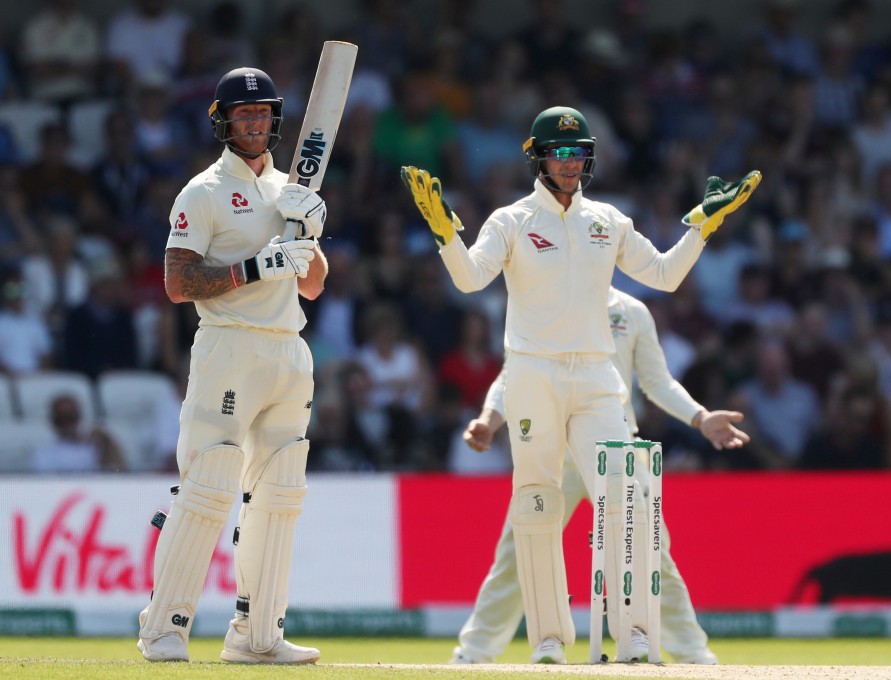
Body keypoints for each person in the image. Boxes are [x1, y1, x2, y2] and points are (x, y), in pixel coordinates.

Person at [401, 105, 759, 663]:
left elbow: (664, 274)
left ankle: (636, 635)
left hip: (595, 376)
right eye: (559, 153)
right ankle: (547, 641)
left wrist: (701, 228)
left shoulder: (608, 220)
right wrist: (445, 233)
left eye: (578, 153)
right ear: (538, 158)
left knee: (627, 496)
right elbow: (470, 279)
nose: (570, 163)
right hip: (532, 373)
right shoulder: (511, 220)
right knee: (536, 504)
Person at [137, 66, 328, 665]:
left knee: (281, 490)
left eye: (263, 113)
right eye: (244, 114)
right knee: (209, 485)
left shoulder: (291, 190)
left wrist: (312, 231)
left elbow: (313, 285)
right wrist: (253, 267)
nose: (254, 122)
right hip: (229, 345)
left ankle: (257, 637)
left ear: (275, 119)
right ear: (222, 121)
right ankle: (164, 629)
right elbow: (176, 283)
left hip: (289, 347)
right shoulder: (203, 191)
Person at [451, 286, 748, 665]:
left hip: (618, 448)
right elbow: (514, 373)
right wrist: (489, 420)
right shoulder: (543, 300)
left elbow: (657, 381)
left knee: (652, 553)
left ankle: (693, 655)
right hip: (555, 451)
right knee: (518, 553)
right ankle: (473, 654)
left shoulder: (632, 311)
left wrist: (700, 417)